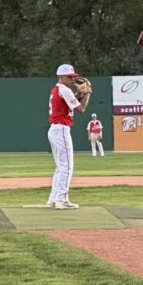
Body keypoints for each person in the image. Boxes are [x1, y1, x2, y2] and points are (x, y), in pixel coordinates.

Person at [47, 63, 91, 209]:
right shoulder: (64, 89)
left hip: (55, 129)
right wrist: (88, 93)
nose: (73, 79)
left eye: (73, 76)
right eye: (69, 77)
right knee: (66, 166)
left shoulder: (57, 89)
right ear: (61, 76)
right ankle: (62, 200)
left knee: (60, 166)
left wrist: (79, 94)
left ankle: (53, 199)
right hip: (61, 130)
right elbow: (81, 109)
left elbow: (70, 103)